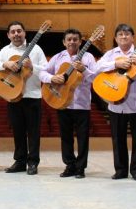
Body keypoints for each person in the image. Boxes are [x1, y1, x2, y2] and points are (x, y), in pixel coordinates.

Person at [94, 24, 136, 181]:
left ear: (133, 38)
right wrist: (115, 64)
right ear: (115, 38)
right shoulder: (111, 54)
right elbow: (97, 67)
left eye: (127, 34)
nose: (123, 36)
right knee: (118, 139)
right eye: (120, 34)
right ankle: (120, 170)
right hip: (116, 103)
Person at [0, 21, 47, 175]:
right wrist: (6, 64)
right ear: (8, 35)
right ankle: (20, 161)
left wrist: (32, 67)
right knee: (18, 131)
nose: (16, 34)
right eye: (13, 32)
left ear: (24, 33)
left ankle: (33, 162)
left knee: (33, 132)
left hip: (32, 96)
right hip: (13, 96)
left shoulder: (36, 49)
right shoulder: (5, 51)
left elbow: (46, 69)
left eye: (19, 31)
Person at [39, 28, 96, 179]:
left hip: (82, 104)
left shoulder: (88, 57)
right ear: (64, 42)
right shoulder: (58, 57)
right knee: (66, 137)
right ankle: (70, 165)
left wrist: (84, 70)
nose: (72, 42)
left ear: (80, 41)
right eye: (69, 39)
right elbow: (42, 72)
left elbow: (95, 79)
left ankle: (80, 168)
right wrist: (52, 78)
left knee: (83, 138)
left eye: (75, 39)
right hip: (62, 102)